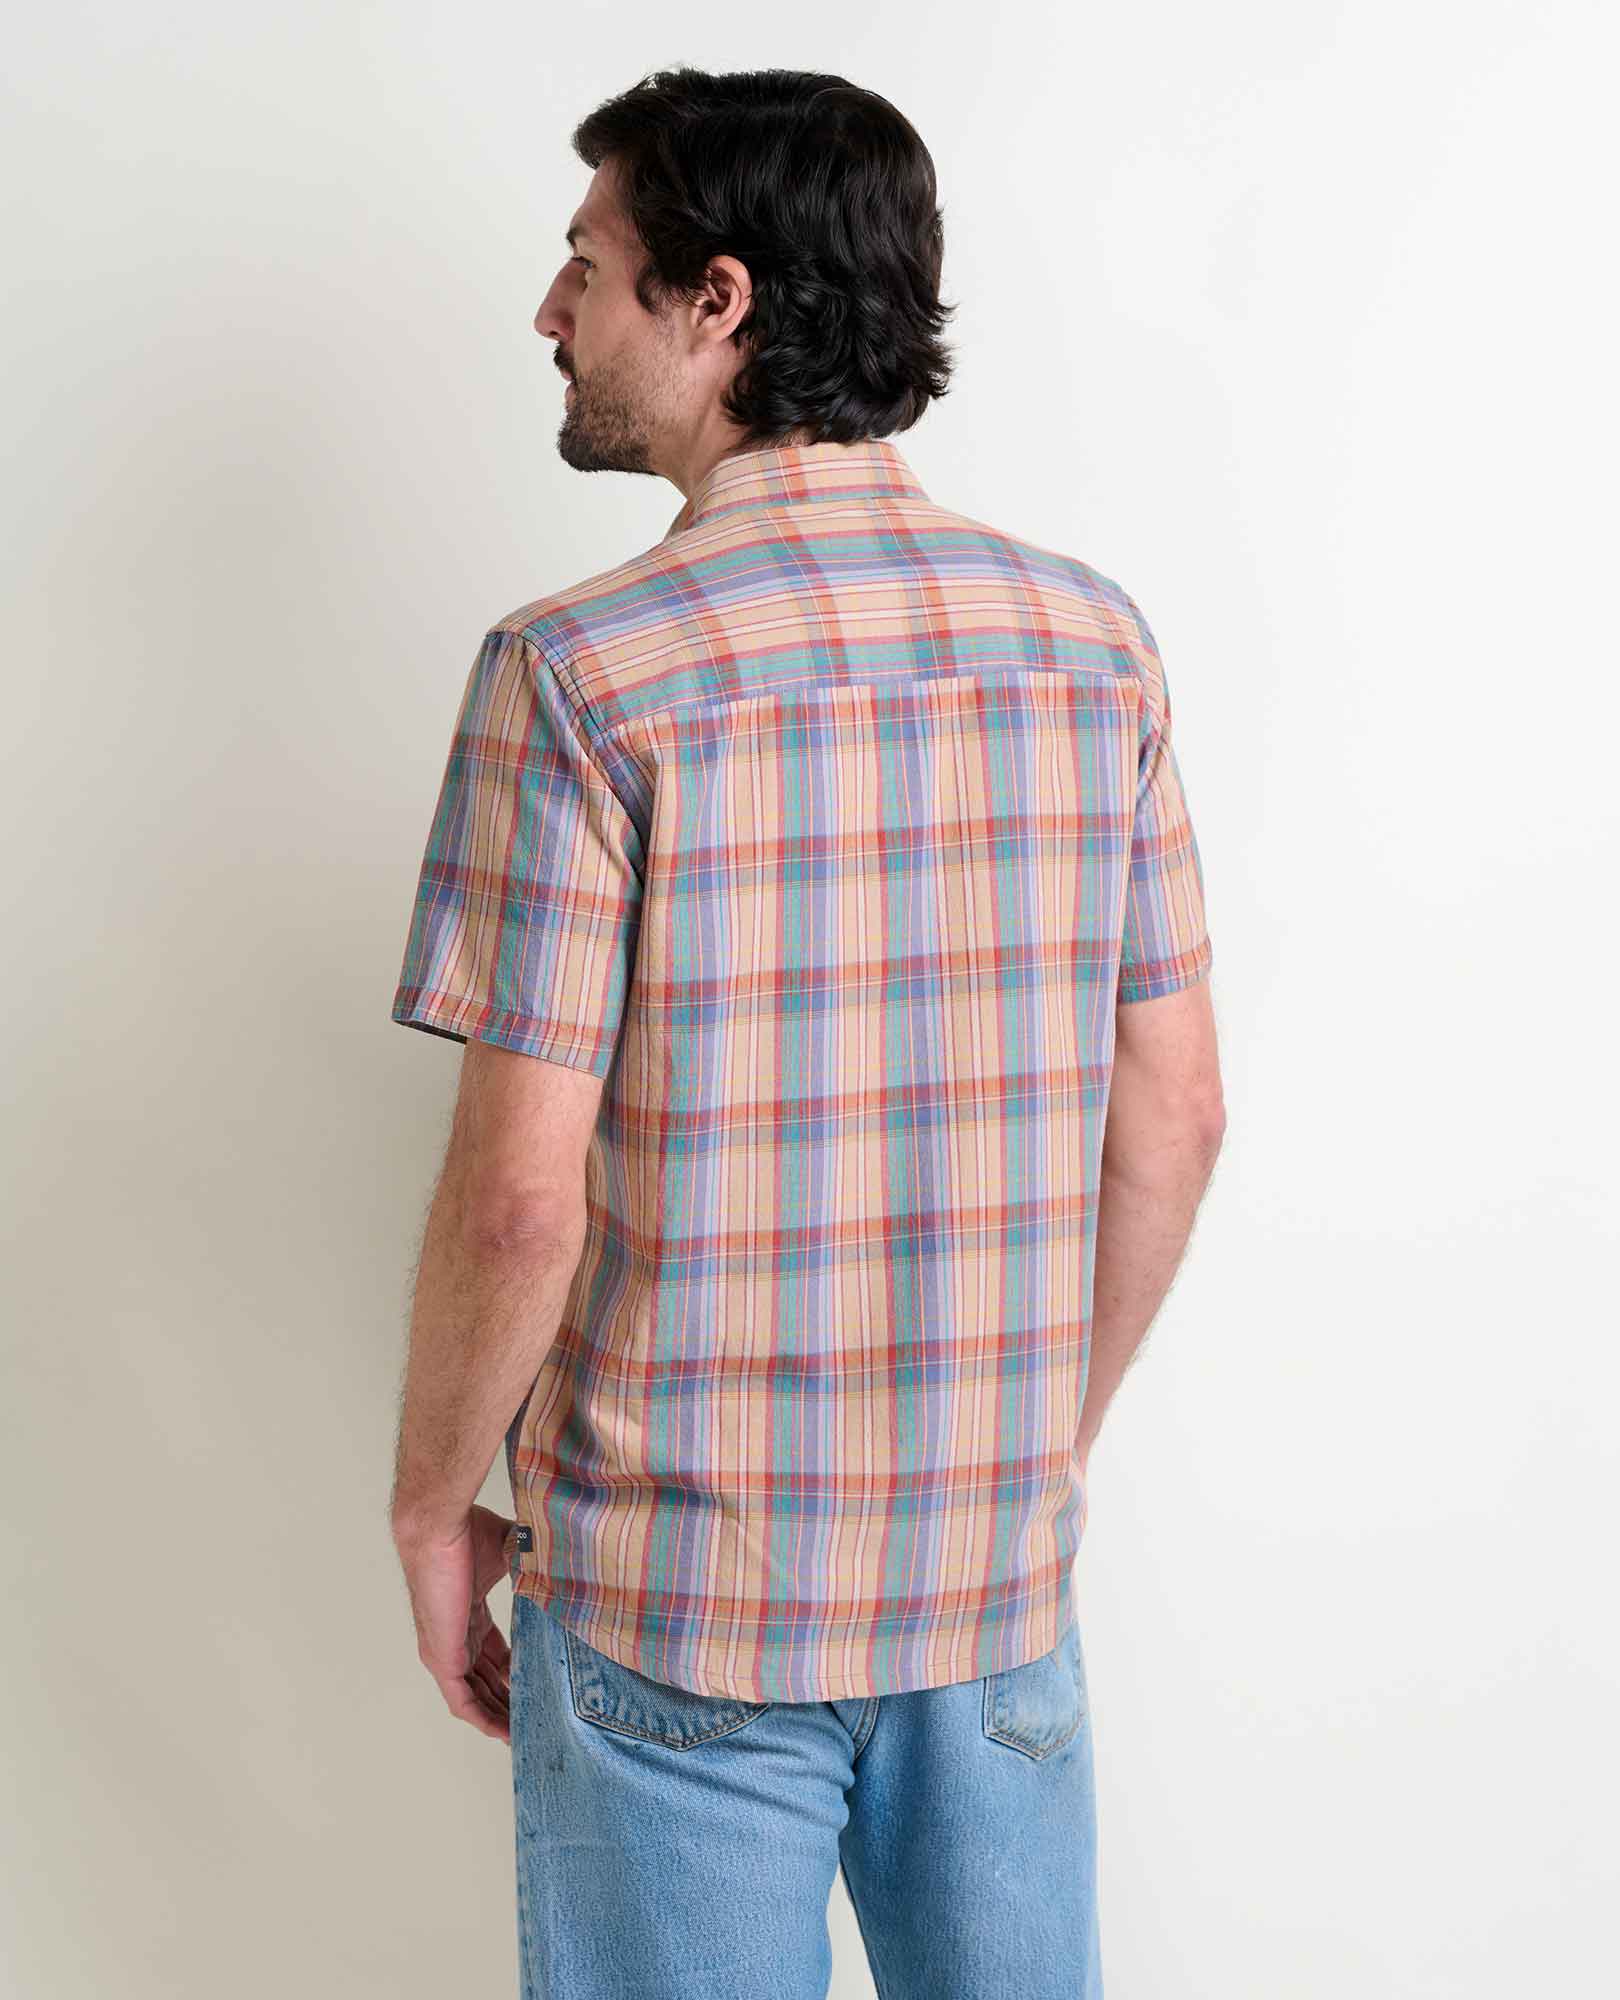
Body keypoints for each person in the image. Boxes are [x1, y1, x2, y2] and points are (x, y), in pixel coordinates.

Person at [387, 65, 1224, 2000]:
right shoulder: (1093, 646)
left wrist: (435, 1507)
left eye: (586, 262)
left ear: (720, 301)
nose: (550, 309)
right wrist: (1033, 1453)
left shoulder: (581, 676)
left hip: (679, 1609)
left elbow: (520, 1206)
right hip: (990, 1594)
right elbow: (1175, 1119)